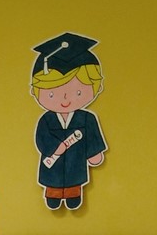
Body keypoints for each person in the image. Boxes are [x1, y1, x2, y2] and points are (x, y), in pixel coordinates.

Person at [30, 32, 107, 210]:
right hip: (53, 163)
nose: (65, 99)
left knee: (74, 184)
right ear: (35, 91)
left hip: (76, 163)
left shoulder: (87, 118)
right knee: (53, 185)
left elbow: (93, 136)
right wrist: (56, 148)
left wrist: (94, 153)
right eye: (52, 94)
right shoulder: (46, 119)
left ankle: (73, 193)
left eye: (78, 92)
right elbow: (41, 139)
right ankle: (53, 193)